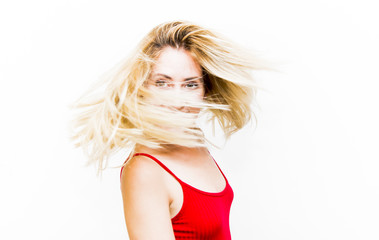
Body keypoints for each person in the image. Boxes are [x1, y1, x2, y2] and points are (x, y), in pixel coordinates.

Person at [71, 20, 264, 239]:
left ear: (205, 90)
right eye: (163, 83)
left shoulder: (195, 142)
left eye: (190, 84)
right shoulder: (145, 170)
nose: (177, 100)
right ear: (143, 87)